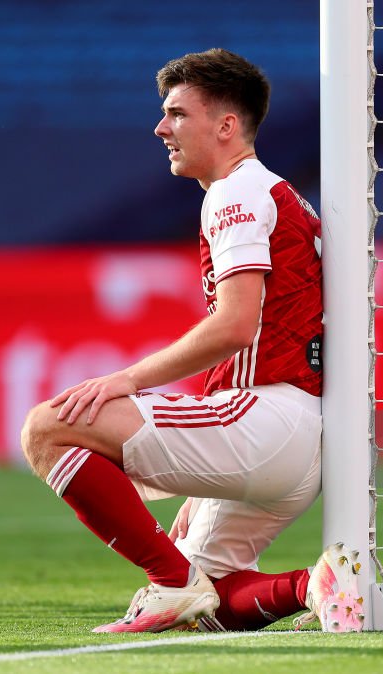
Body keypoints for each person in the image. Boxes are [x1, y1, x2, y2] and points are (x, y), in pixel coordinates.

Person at [20, 48, 364, 633]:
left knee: (47, 428)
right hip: (298, 435)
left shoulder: (235, 194)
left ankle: (168, 583)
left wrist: (127, 378)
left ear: (226, 125)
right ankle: (316, 584)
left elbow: (234, 326)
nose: (161, 128)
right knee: (210, 605)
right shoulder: (279, 195)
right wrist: (209, 474)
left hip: (267, 418)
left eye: (178, 113)